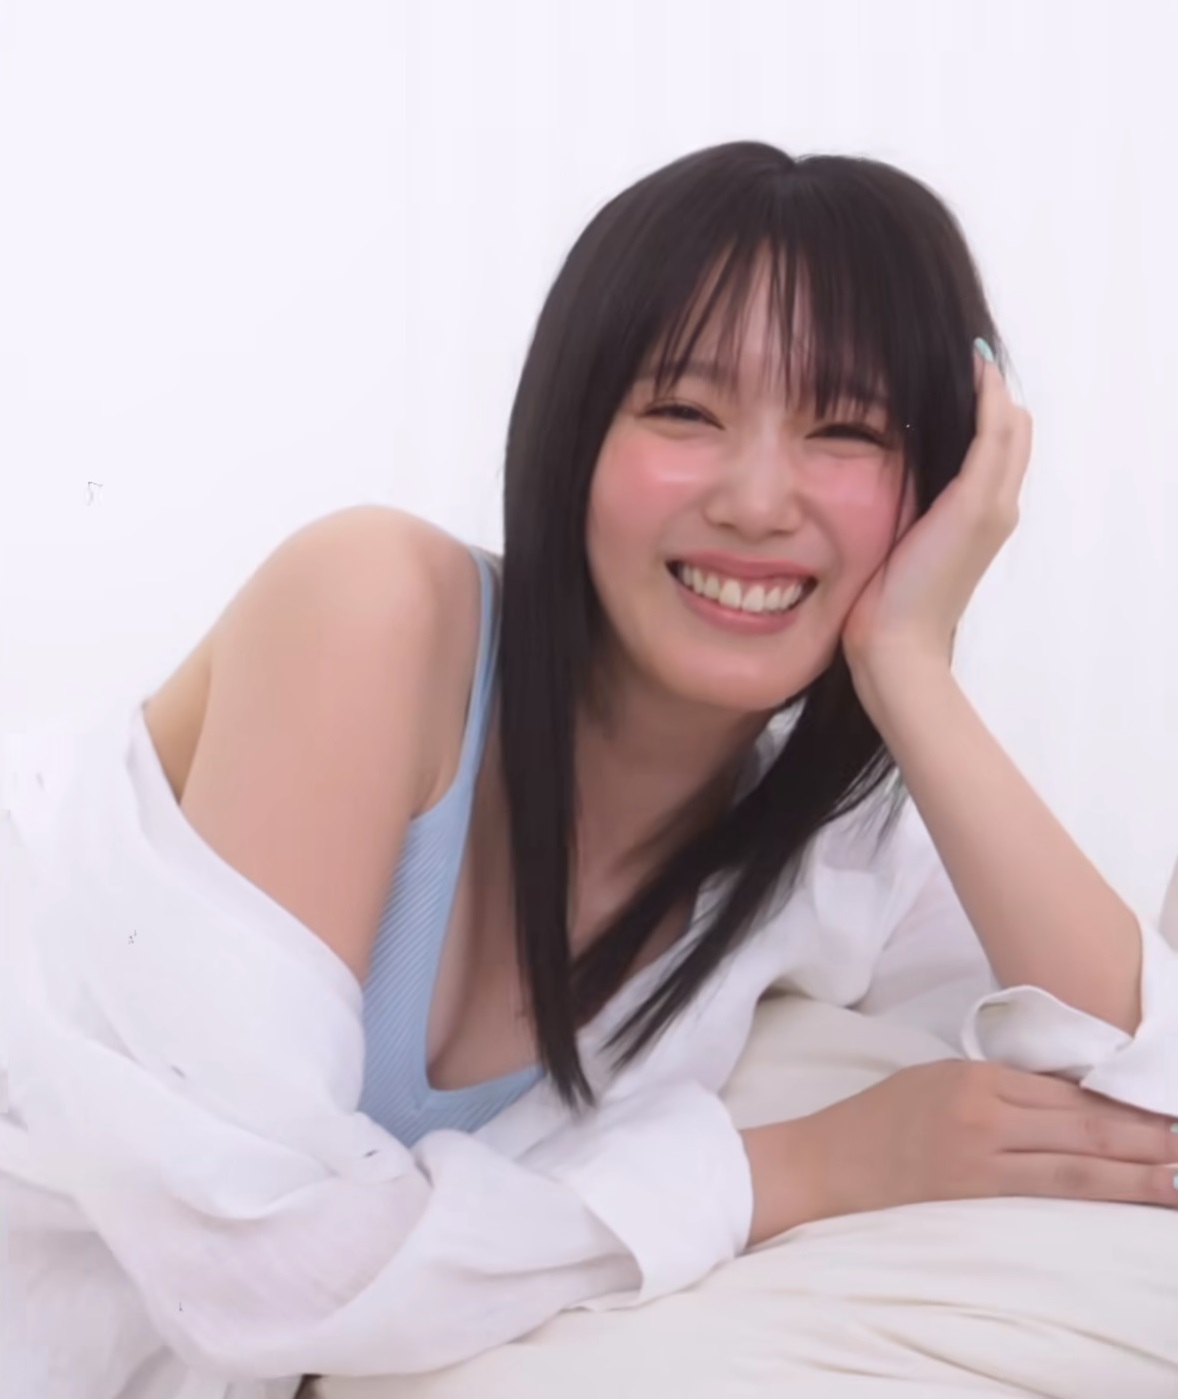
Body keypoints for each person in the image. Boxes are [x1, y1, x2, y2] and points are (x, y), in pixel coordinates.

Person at [1, 139, 1176, 1399]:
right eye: (684, 412)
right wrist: (796, 1165)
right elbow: (251, 1271)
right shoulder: (377, 610)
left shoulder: (836, 849)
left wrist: (909, 666)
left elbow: (1139, 1112)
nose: (756, 500)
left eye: (846, 430)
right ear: (572, 431)